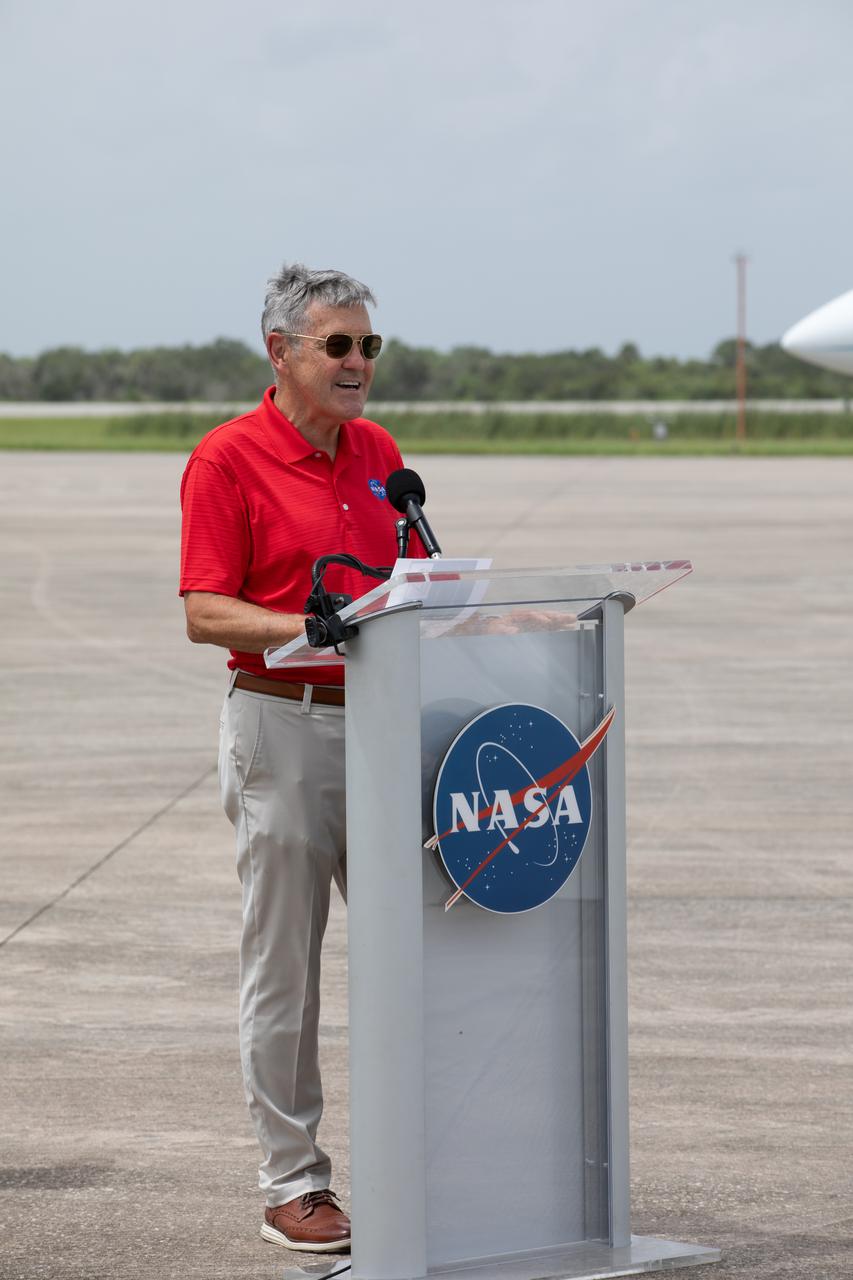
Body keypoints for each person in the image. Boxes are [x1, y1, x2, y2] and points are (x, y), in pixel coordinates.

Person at [179, 264, 411, 1254]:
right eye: (339, 345)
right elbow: (202, 610)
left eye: (368, 346)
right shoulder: (226, 459)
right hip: (281, 724)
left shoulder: (380, 453)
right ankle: (293, 1180)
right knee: (286, 966)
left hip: (383, 724)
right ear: (281, 352)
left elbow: (408, 581)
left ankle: (425, 1157)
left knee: (417, 952)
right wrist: (298, 622)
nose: (358, 363)